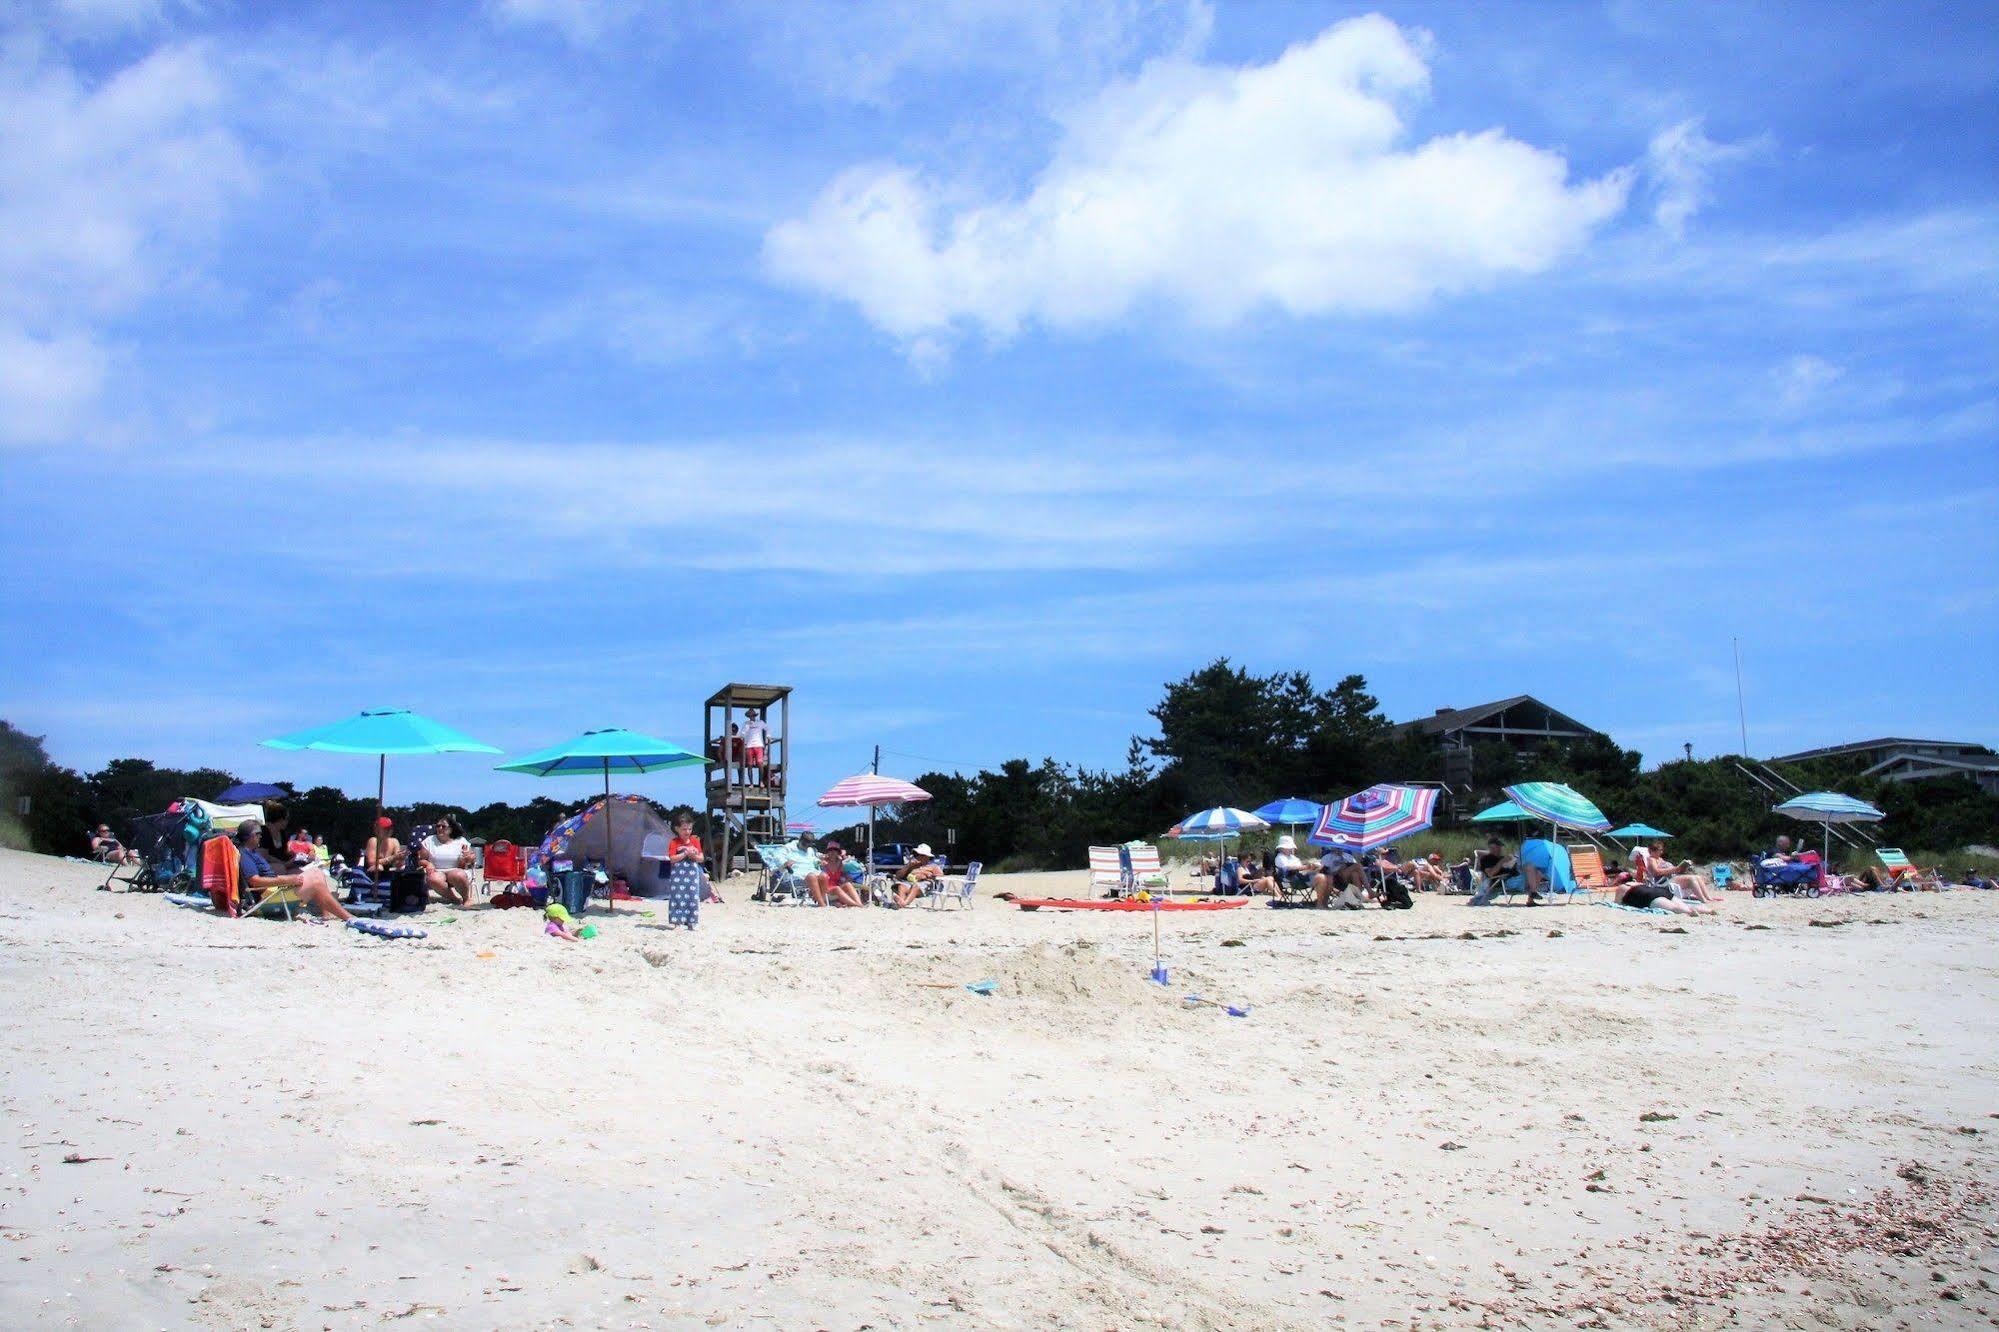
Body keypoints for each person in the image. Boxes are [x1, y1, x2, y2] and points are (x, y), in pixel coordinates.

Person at [233, 819, 353, 921]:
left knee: (317, 872)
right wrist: (287, 879)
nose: (261, 836)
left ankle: (327, 914)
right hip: (267, 898)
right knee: (315, 879)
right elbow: (255, 881)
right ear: (252, 836)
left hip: (274, 891)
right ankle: (347, 917)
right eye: (259, 834)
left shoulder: (252, 852)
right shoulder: (245, 855)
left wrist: (288, 876)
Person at [1635, 843, 1720, 905]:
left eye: (1661, 850)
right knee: (1691, 879)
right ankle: (1703, 900)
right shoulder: (1651, 859)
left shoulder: (1660, 859)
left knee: (1697, 877)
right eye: (1660, 850)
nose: (1661, 852)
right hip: (1662, 882)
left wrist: (1682, 867)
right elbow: (1656, 872)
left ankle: (1708, 897)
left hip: (1671, 877)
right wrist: (1675, 869)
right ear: (1653, 851)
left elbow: (1672, 870)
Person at [419, 814, 475, 905]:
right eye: (438, 826)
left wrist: (468, 857)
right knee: (434, 879)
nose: (440, 828)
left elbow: (471, 859)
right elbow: (421, 859)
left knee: (459, 875)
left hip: (457, 869)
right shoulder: (429, 841)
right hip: (436, 871)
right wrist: (428, 864)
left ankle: (466, 898)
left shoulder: (461, 840)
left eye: (443, 826)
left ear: (451, 828)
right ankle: (454, 899)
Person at [811, 838, 862, 908]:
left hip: (834, 891)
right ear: (827, 852)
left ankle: (859, 903)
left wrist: (847, 878)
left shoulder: (840, 863)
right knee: (837, 888)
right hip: (824, 892)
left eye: (835, 850)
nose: (832, 852)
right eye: (830, 850)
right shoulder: (823, 863)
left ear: (838, 852)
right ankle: (856, 905)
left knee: (848, 885)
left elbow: (850, 873)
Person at [891, 843, 943, 907]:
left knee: (915, 886)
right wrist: (908, 865)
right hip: (910, 884)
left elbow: (941, 877)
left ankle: (903, 904)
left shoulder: (933, 866)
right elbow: (898, 876)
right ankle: (901, 902)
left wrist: (927, 876)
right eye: (916, 854)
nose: (917, 857)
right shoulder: (912, 865)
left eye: (919, 855)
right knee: (901, 886)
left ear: (926, 856)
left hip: (924, 886)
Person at [1468, 838, 1515, 907]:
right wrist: (1502, 861)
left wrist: (1513, 861)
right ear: (1490, 847)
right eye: (1497, 847)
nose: (1499, 849)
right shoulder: (1487, 859)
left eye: (1500, 847)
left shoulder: (1501, 857)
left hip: (1510, 879)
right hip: (1500, 883)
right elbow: (1490, 874)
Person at [743, 709, 768, 784]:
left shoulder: (760, 722)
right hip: (749, 746)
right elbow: (742, 733)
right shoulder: (746, 724)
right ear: (749, 716)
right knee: (750, 765)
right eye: (750, 715)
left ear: (755, 716)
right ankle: (751, 783)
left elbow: (768, 728)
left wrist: (768, 736)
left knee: (760, 763)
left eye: (753, 715)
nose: (752, 717)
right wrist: (746, 729)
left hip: (759, 745)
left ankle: (761, 781)